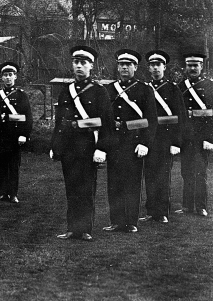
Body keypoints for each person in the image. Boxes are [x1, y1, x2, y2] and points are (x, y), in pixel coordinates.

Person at [51, 46, 113, 241]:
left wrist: (102, 147)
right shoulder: (65, 91)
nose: (79, 66)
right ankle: (71, 228)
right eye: (76, 62)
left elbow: (107, 122)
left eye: (83, 63)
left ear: (91, 66)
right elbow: (59, 121)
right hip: (68, 147)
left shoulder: (99, 91)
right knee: (71, 189)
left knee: (86, 189)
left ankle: (85, 229)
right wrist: (54, 146)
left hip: (88, 146)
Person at [103, 49, 157, 234]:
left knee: (132, 183)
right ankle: (116, 221)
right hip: (114, 143)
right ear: (117, 67)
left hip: (134, 143)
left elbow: (151, 120)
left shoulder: (144, 89)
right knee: (114, 183)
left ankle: (131, 221)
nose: (124, 67)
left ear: (135, 67)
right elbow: (104, 119)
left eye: (128, 64)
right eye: (121, 64)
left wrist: (145, 143)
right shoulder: (109, 89)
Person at [140, 50, 183, 224]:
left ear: (164, 67)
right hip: (150, 138)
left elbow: (180, 117)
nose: (155, 68)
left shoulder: (173, 88)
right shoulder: (144, 88)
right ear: (148, 68)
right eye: (152, 65)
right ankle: (151, 211)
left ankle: (162, 211)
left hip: (166, 139)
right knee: (149, 175)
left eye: (158, 65)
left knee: (163, 176)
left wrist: (176, 142)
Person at [0, 61, 33, 204]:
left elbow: (26, 117)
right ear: (1, 78)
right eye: (5, 75)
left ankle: (13, 194)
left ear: (15, 77)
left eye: (10, 75)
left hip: (15, 136)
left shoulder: (21, 95)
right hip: (1, 136)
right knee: (1, 165)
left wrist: (24, 135)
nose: (8, 78)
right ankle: (2, 193)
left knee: (13, 166)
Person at [177, 51, 213, 217]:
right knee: (186, 172)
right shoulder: (180, 86)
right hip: (186, 136)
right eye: (189, 65)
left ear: (201, 66)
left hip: (202, 136)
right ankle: (187, 206)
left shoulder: (210, 86)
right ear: (186, 67)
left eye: (195, 65)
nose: (192, 68)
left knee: (200, 171)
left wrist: (209, 138)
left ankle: (201, 206)